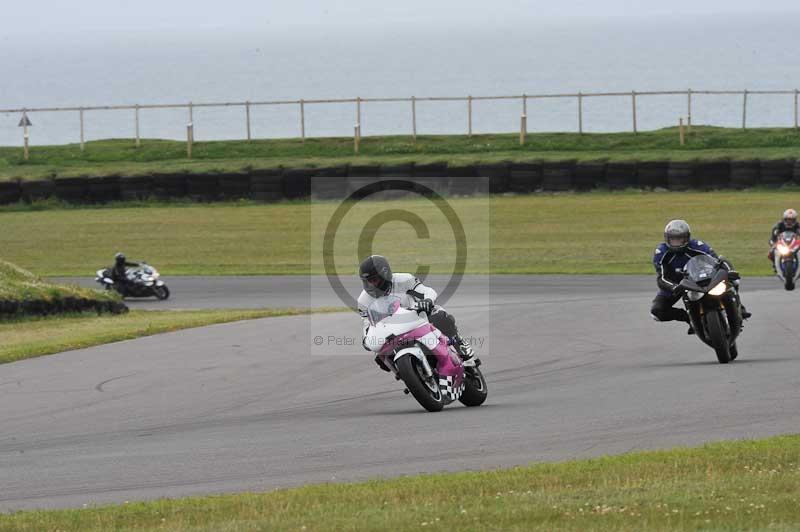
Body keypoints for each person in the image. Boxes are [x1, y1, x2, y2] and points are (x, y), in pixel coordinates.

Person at [357, 255, 477, 370]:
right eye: (367, 281)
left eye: (374, 280)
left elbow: (426, 291)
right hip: (393, 333)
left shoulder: (404, 280)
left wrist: (427, 300)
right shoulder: (363, 301)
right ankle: (408, 375)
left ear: (385, 274)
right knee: (379, 356)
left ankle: (461, 348)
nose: (370, 285)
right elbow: (368, 325)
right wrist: (366, 339)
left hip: (418, 319)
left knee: (439, 315)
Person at [651, 220, 751, 334]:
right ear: (667, 238)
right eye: (673, 239)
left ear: (687, 238)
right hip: (676, 284)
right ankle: (690, 319)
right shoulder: (661, 252)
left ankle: (739, 307)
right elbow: (661, 277)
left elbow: (717, 261)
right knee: (657, 312)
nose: (676, 242)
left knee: (733, 280)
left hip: (700, 278)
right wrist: (673, 287)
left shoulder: (698, 245)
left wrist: (729, 272)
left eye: (679, 238)